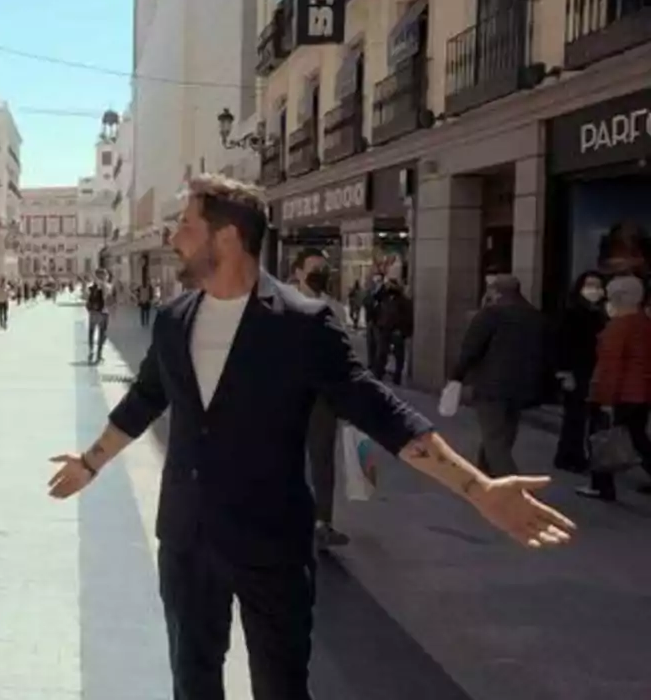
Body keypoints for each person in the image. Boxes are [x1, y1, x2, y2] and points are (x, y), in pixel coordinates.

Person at [47, 174, 574, 700]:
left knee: (281, 688)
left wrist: (477, 487)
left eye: (186, 225)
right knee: (192, 681)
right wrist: (90, 463)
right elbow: (144, 399)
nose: (173, 238)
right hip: (187, 540)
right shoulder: (173, 320)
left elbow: (380, 411)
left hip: (272, 543)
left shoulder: (303, 324)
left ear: (226, 238)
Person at [444, 275, 551, 477]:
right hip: (522, 387)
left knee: (494, 439)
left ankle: (511, 486)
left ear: (495, 291)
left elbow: (470, 349)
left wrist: (456, 376)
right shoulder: (535, 316)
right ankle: (484, 475)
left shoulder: (490, 315)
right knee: (503, 435)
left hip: (491, 386)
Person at [291, 247, 349, 549]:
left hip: (323, 401)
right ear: (298, 272)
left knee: (323, 462)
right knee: (285, 458)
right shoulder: (280, 308)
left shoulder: (335, 310)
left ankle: (322, 522)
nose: (319, 275)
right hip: (286, 398)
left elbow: (347, 356)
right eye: (314, 269)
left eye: (323, 269)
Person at [579, 275, 651, 501]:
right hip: (641, 392)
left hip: (621, 393)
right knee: (637, 437)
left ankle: (601, 485)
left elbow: (611, 366)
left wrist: (605, 400)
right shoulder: (644, 323)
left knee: (602, 437)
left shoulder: (619, 327)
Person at [553, 271, 608, 473]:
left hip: (595, 371)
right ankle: (569, 456)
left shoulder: (600, 313)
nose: (594, 290)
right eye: (590, 285)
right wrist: (564, 372)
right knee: (574, 416)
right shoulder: (572, 312)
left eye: (598, 285)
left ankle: (576, 455)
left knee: (586, 416)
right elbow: (562, 343)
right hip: (577, 371)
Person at [85, 270, 112, 363]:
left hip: (93, 313)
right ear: (105, 276)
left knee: (91, 333)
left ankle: (91, 350)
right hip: (104, 313)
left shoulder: (91, 287)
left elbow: (86, 299)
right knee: (102, 334)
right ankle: (99, 355)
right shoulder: (108, 287)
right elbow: (111, 301)